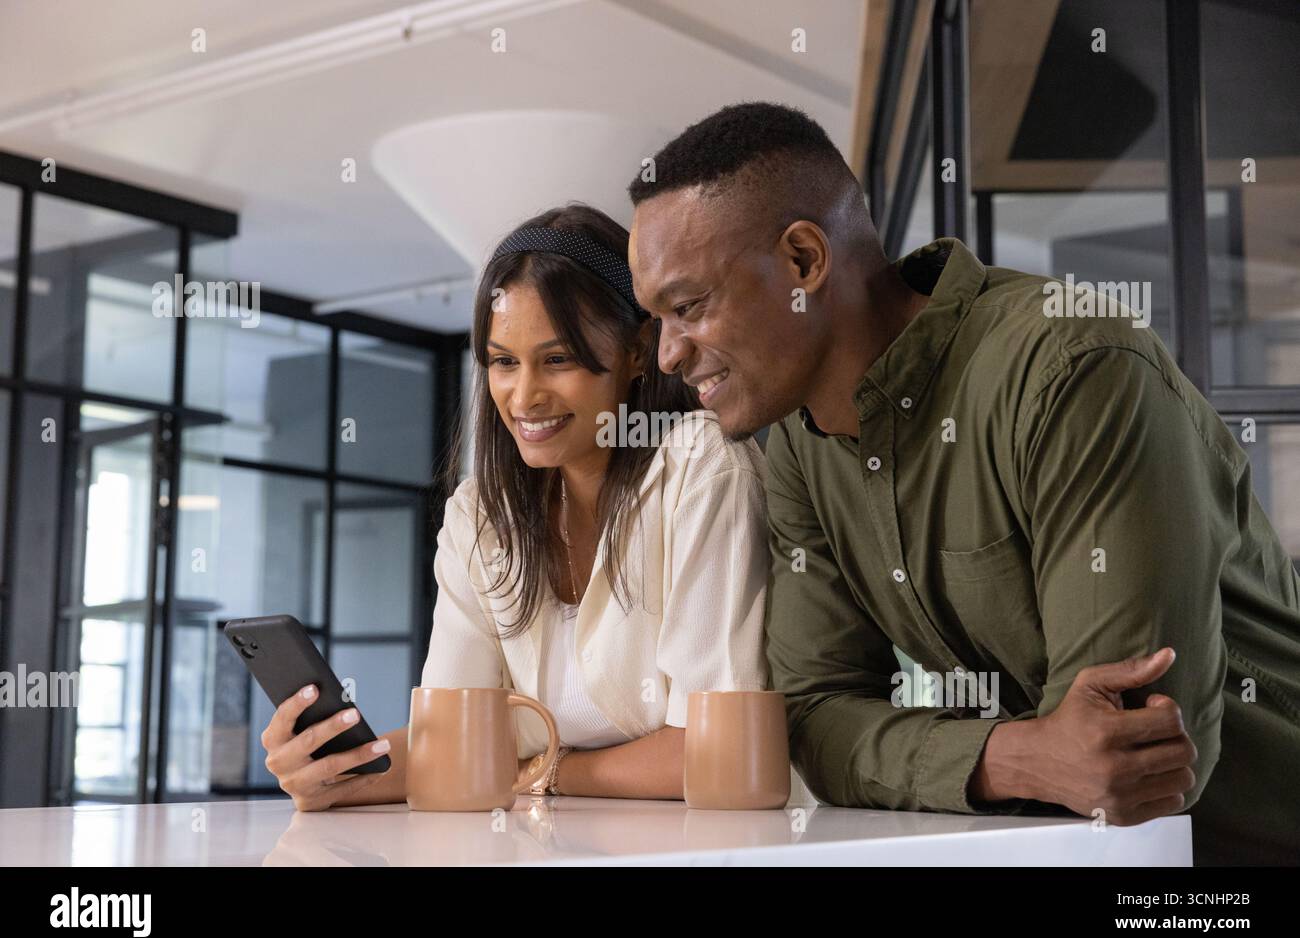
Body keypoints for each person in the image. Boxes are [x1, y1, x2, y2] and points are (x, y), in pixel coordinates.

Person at [626, 101, 1300, 865]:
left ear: (804, 262)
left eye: (687, 307)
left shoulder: (1074, 372)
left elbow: (1129, 768)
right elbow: (813, 718)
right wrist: (1016, 753)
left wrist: (1011, 755)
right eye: (656, 320)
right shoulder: (796, 446)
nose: (668, 355)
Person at [261, 203, 770, 809]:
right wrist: (334, 777)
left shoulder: (698, 468)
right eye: (503, 362)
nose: (524, 396)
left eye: (557, 360)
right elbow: (453, 745)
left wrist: (543, 772)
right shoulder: (482, 514)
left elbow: (713, 755)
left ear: (638, 353)